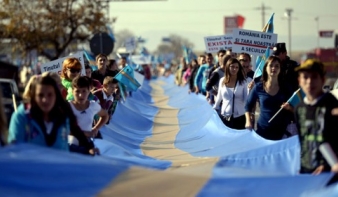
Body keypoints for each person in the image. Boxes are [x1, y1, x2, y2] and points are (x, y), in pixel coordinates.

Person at [8, 75, 96, 154]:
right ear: (34, 96)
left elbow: (74, 129)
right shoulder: (22, 116)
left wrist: (89, 147)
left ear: (56, 95)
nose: (45, 100)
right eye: (40, 95)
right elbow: (14, 150)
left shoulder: (64, 112)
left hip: (60, 168)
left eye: (50, 95)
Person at [293, 59, 338, 178]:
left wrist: (328, 164)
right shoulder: (299, 109)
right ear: (299, 81)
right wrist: (302, 167)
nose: (309, 82)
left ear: (322, 80)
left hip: (329, 173)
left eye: (314, 77)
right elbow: (303, 140)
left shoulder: (331, 104)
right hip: (307, 172)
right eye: (305, 77)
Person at [245, 56, 293, 140]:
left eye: (277, 66)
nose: (274, 68)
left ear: (280, 69)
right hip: (262, 130)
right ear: (266, 68)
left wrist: (289, 108)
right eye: (271, 65)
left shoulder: (286, 87)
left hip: (281, 132)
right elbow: (248, 106)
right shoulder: (258, 87)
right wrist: (248, 121)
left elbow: (297, 108)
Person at [213, 58, 249, 129]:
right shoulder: (222, 81)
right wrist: (214, 108)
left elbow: (246, 100)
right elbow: (219, 97)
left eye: (236, 67)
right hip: (225, 116)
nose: (234, 69)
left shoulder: (243, 82)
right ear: (228, 67)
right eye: (232, 66)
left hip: (240, 117)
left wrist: (249, 90)